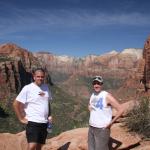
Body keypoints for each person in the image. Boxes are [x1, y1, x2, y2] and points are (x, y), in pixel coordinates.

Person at [13, 68, 53, 150]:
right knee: (32, 146)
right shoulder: (27, 88)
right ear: (34, 77)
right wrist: (21, 118)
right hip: (33, 121)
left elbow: (47, 102)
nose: (40, 78)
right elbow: (15, 104)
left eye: (42, 77)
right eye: (38, 76)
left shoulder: (46, 87)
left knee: (39, 146)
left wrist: (49, 115)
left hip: (44, 122)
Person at [88, 76, 124, 150]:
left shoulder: (106, 96)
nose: (96, 85)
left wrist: (111, 123)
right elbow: (89, 105)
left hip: (102, 129)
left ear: (102, 84)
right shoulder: (93, 94)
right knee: (91, 148)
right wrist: (90, 109)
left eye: (98, 83)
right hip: (91, 127)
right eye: (94, 83)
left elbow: (121, 109)